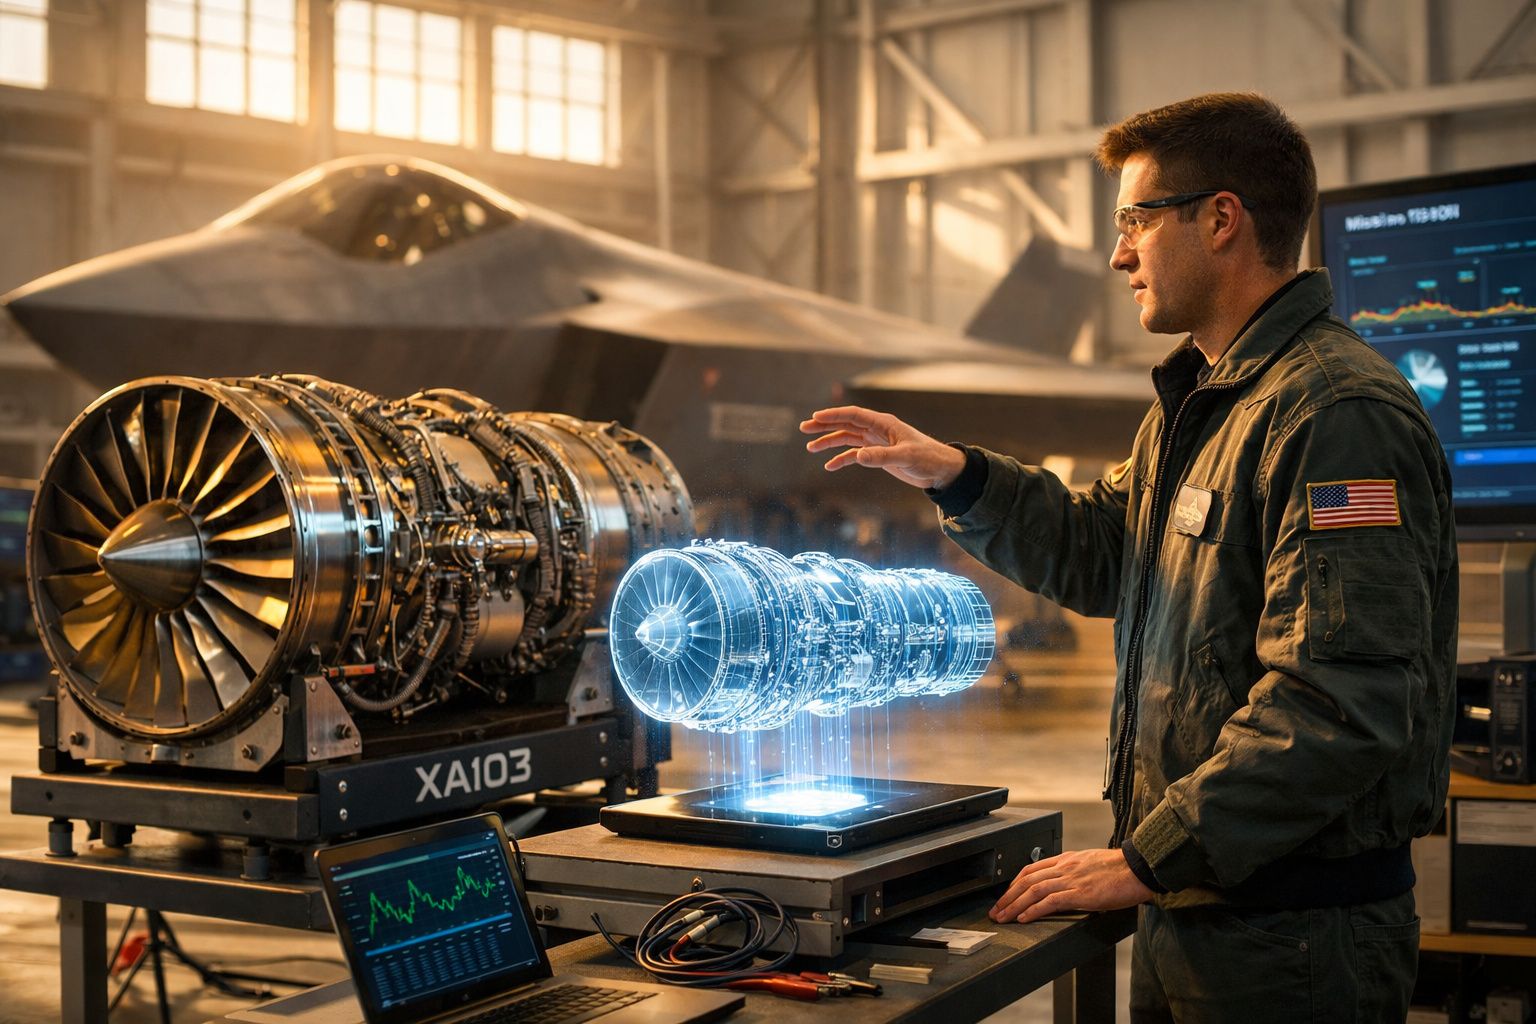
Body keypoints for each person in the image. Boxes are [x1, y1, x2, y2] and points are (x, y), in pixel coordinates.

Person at [800, 92, 1458, 1022]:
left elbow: (1340, 702)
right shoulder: (1203, 407)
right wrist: (956, 476)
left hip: (1293, 945)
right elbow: (1107, 553)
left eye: (1136, 220)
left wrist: (1152, 855)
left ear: (1221, 219)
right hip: (1197, 911)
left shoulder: (1333, 414)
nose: (1119, 255)